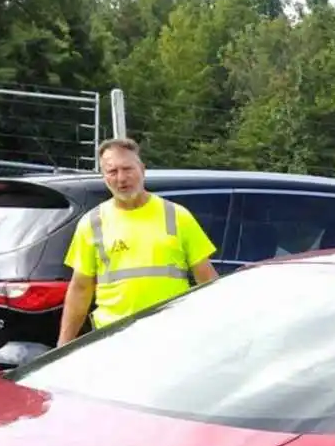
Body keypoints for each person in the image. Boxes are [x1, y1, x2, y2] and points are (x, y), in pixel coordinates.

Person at [56, 138, 217, 346]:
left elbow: (207, 278)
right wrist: (63, 346)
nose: (121, 178)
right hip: (114, 339)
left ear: (142, 169)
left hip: (171, 337)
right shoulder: (92, 223)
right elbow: (80, 289)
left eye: (127, 169)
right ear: (104, 177)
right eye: (112, 172)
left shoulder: (176, 216)